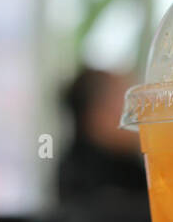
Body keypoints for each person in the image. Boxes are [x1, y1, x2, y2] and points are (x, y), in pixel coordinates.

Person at [57, 68, 146, 201]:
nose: (143, 110)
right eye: (130, 100)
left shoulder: (128, 166)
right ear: (97, 116)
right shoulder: (91, 188)